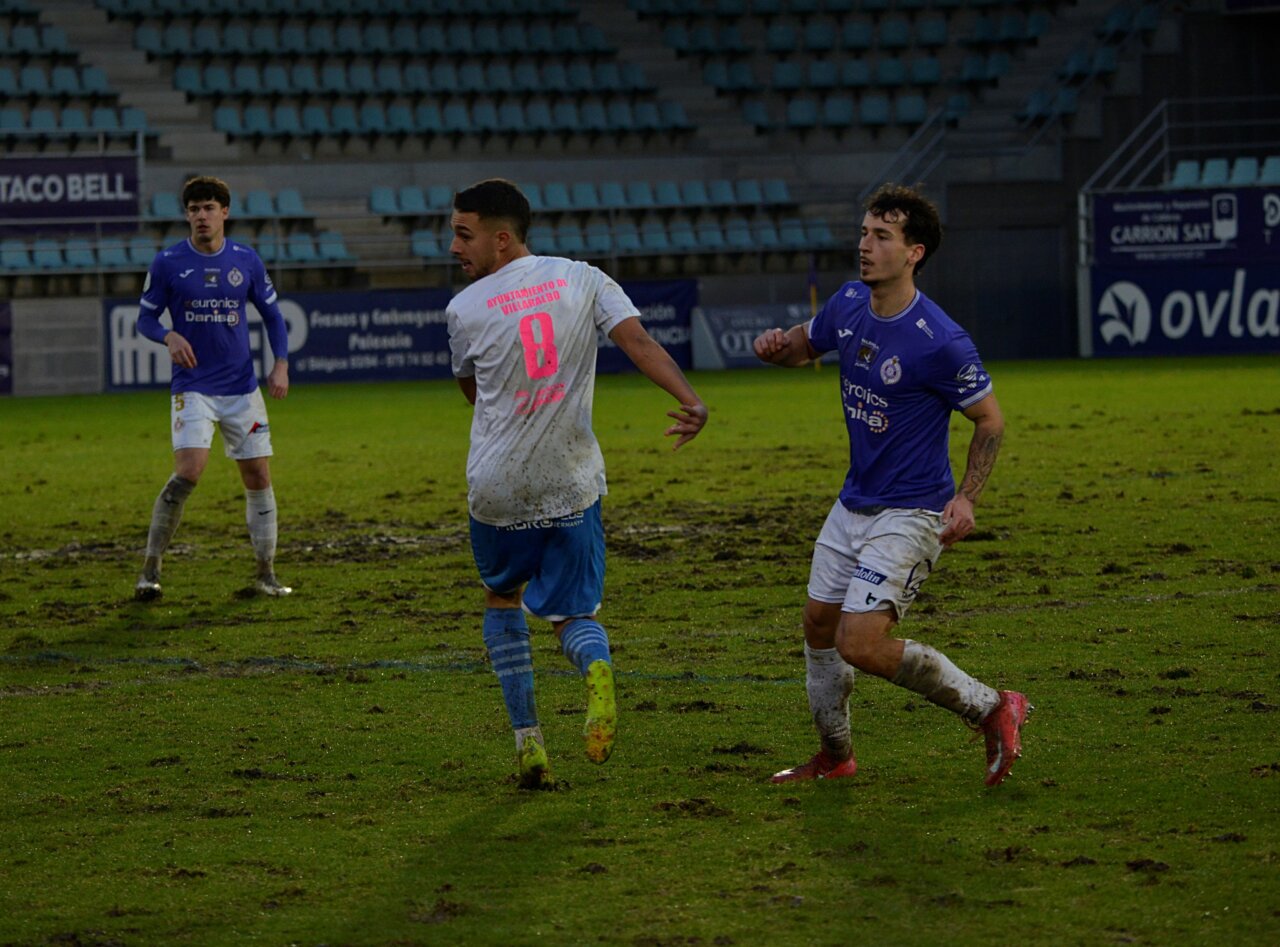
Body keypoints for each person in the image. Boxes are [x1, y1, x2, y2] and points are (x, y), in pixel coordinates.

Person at [753, 183, 1029, 788]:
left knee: (859, 641)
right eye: (863, 233)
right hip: (854, 502)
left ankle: (992, 706)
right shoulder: (850, 302)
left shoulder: (940, 340)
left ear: (914, 253)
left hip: (912, 511)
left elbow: (990, 419)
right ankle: (836, 756)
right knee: (818, 625)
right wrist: (776, 348)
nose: (865, 246)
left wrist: (967, 497)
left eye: (882, 236)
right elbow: (805, 344)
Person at [446, 178, 708, 788]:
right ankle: (595, 662)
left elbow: (473, 393)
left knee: (502, 598)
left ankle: (529, 744)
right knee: (573, 614)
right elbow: (639, 343)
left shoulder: (463, 309)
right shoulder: (584, 277)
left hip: (497, 486)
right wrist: (689, 401)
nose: (454, 246)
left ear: (502, 238)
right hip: (571, 481)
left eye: (465, 234)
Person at [133, 175, 293, 600]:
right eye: (193, 209)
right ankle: (150, 569)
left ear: (225, 212)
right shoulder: (168, 263)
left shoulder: (247, 260)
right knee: (189, 470)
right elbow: (144, 319)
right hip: (194, 386)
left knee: (258, 474)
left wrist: (281, 364)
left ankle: (266, 573)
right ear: (186, 215)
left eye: (208, 208)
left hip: (242, 389)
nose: (201, 216)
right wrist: (168, 335)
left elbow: (274, 317)